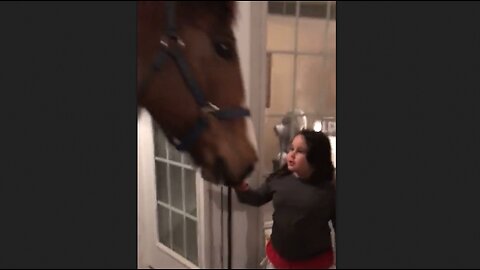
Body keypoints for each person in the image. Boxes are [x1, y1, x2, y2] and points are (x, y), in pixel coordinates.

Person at [234, 129, 336, 269]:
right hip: (277, 260)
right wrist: (241, 186)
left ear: (316, 157)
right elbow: (257, 198)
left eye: (300, 151)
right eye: (291, 148)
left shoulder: (330, 188)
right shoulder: (279, 178)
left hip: (314, 264)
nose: (291, 155)